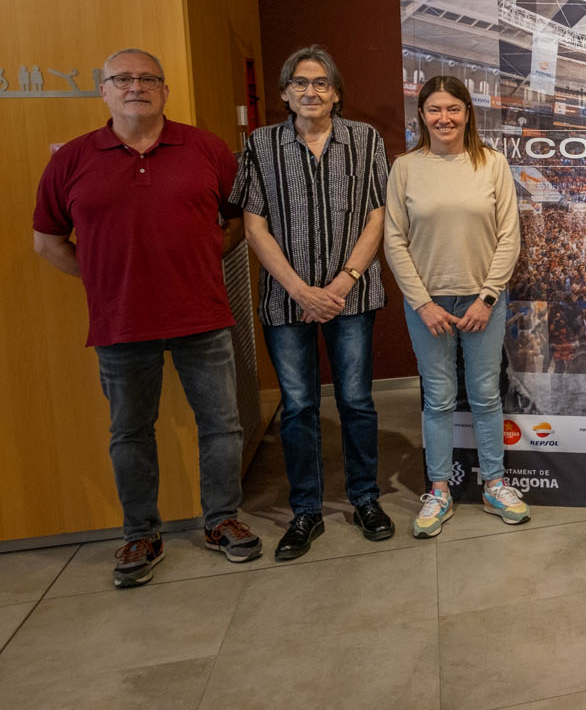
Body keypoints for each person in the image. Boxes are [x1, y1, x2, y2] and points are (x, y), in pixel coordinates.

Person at [33, 49, 262, 586]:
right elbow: (47, 242)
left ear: (164, 90)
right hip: (121, 323)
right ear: (104, 90)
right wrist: (104, 279)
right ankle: (141, 534)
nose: (136, 87)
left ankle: (221, 520)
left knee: (222, 425)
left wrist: (201, 260)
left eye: (148, 79)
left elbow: (239, 222)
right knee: (130, 431)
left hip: (202, 315)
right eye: (123, 79)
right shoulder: (72, 159)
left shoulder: (205, 148)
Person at [230, 46, 394, 560]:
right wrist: (301, 290)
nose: (311, 92)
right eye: (300, 83)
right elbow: (253, 226)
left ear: (336, 93)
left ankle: (365, 499)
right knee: (299, 406)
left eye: (321, 83)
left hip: (352, 296)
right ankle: (306, 510)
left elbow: (378, 215)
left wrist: (342, 283)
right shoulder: (260, 145)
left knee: (356, 401)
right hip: (287, 301)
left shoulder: (365, 140)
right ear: (285, 93)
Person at [384, 75, 529, 537]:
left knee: (486, 395)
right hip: (427, 305)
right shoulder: (405, 168)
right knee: (438, 398)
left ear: (468, 114)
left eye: (453, 109)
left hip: (482, 300)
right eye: (434, 109)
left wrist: (487, 297)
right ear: (422, 115)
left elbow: (509, 236)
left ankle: (494, 484)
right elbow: (394, 240)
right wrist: (422, 303)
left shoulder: (493, 163)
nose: (444, 118)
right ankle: (440, 489)